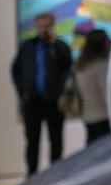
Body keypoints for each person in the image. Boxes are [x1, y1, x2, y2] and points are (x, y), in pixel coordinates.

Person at [11, 13, 73, 176]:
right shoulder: (27, 47)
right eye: (40, 26)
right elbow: (16, 70)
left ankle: (56, 173)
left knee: (56, 139)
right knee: (32, 140)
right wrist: (22, 92)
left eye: (46, 26)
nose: (42, 30)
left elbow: (68, 67)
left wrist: (54, 45)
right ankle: (32, 175)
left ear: (52, 27)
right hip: (33, 101)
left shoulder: (60, 47)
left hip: (54, 101)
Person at [74, 30, 111, 144]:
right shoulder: (101, 66)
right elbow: (107, 95)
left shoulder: (82, 67)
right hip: (103, 117)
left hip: (88, 117)